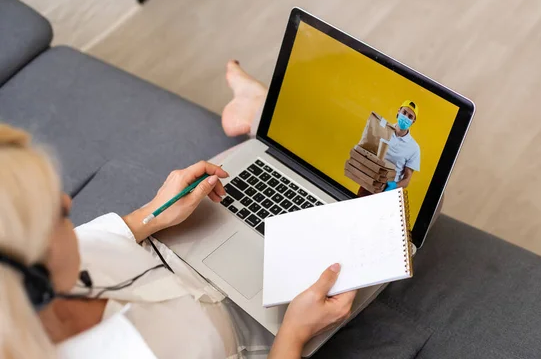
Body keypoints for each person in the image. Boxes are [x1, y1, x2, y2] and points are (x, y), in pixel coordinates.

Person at [0, 88, 356, 357]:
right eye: (55, 213)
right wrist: (294, 332)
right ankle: (256, 105)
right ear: (31, 280)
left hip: (178, 247)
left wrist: (154, 212)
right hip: (254, 328)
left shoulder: (34, 267)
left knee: (253, 163)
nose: (67, 201)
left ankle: (256, 108)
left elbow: (110, 234)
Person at [382, 100, 421, 191]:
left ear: (413, 121)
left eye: (410, 116)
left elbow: (407, 180)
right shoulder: (383, 130)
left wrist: (394, 185)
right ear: (399, 111)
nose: (406, 117)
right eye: (404, 112)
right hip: (370, 183)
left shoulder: (414, 148)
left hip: (388, 191)